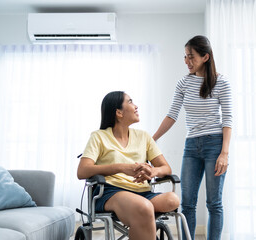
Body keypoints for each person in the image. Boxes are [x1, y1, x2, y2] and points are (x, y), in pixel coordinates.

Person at [153, 35, 232, 240]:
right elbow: (172, 115)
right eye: (185, 57)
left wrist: (224, 153)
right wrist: (152, 139)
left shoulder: (221, 82)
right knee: (187, 203)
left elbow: (228, 119)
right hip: (191, 146)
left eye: (191, 57)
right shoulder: (183, 83)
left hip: (214, 145)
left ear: (205, 57)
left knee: (214, 203)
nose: (187, 61)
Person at [77, 91, 180, 240]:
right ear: (119, 112)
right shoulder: (98, 136)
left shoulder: (144, 137)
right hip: (111, 192)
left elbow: (165, 168)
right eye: (130, 102)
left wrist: (152, 171)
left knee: (172, 200)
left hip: (143, 192)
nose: (136, 106)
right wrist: (121, 168)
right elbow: (82, 171)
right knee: (143, 207)